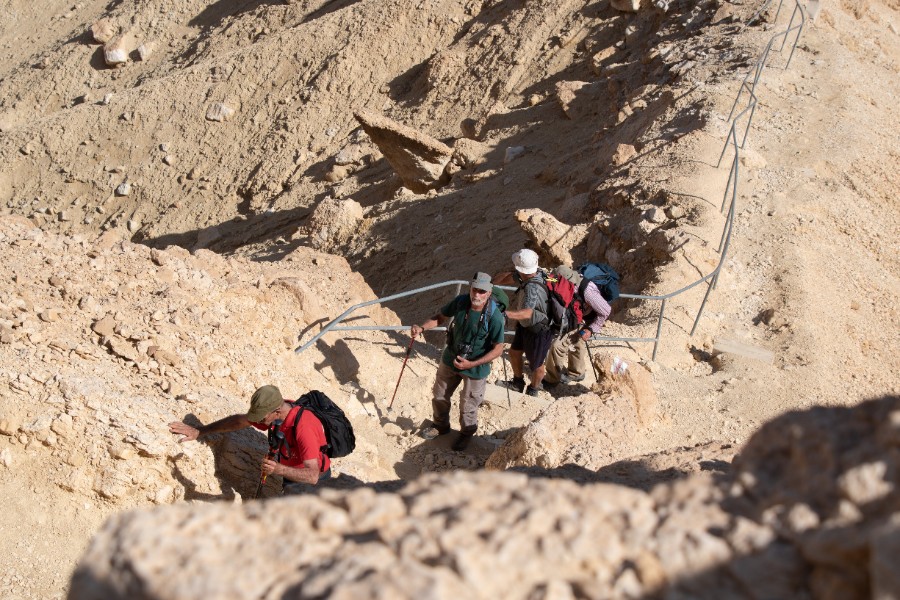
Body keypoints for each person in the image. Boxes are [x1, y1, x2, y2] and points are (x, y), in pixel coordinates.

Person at [168, 385, 331, 495]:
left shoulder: (304, 427)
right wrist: (200, 431)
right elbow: (239, 421)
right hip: (291, 471)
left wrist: (278, 469)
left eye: (261, 418)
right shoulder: (274, 414)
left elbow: (312, 476)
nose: (258, 421)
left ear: (276, 411)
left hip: (313, 483)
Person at [410, 272, 505, 451]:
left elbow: (498, 348)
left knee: (469, 404)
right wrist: (422, 328)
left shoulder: (495, 317)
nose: (477, 295)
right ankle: (440, 426)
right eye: (474, 289)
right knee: (439, 394)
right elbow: (440, 317)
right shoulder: (461, 302)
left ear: (489, 293)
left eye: (482, 292)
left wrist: (472, 364)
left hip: (476, 367)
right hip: (451, 357)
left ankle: (466, 434)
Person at [493, 249, 553, 397]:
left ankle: (533, 390)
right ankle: (517, 383)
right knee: (514, 353)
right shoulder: (532, 274)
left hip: (538, 329)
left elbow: (528, 312)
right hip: (525, 324)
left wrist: (506, 314)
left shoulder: (533, 286)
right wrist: (492, 282)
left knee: (537, 365)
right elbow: (501, 279)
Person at [544, 265, 612, 387]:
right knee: (577, 341)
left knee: (557, 346)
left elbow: (606, 310)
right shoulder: (565, 281)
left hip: (588, 319)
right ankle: (577, 373)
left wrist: (591, 329)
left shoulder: (587, 290)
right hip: (577, 316)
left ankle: (551, 380)